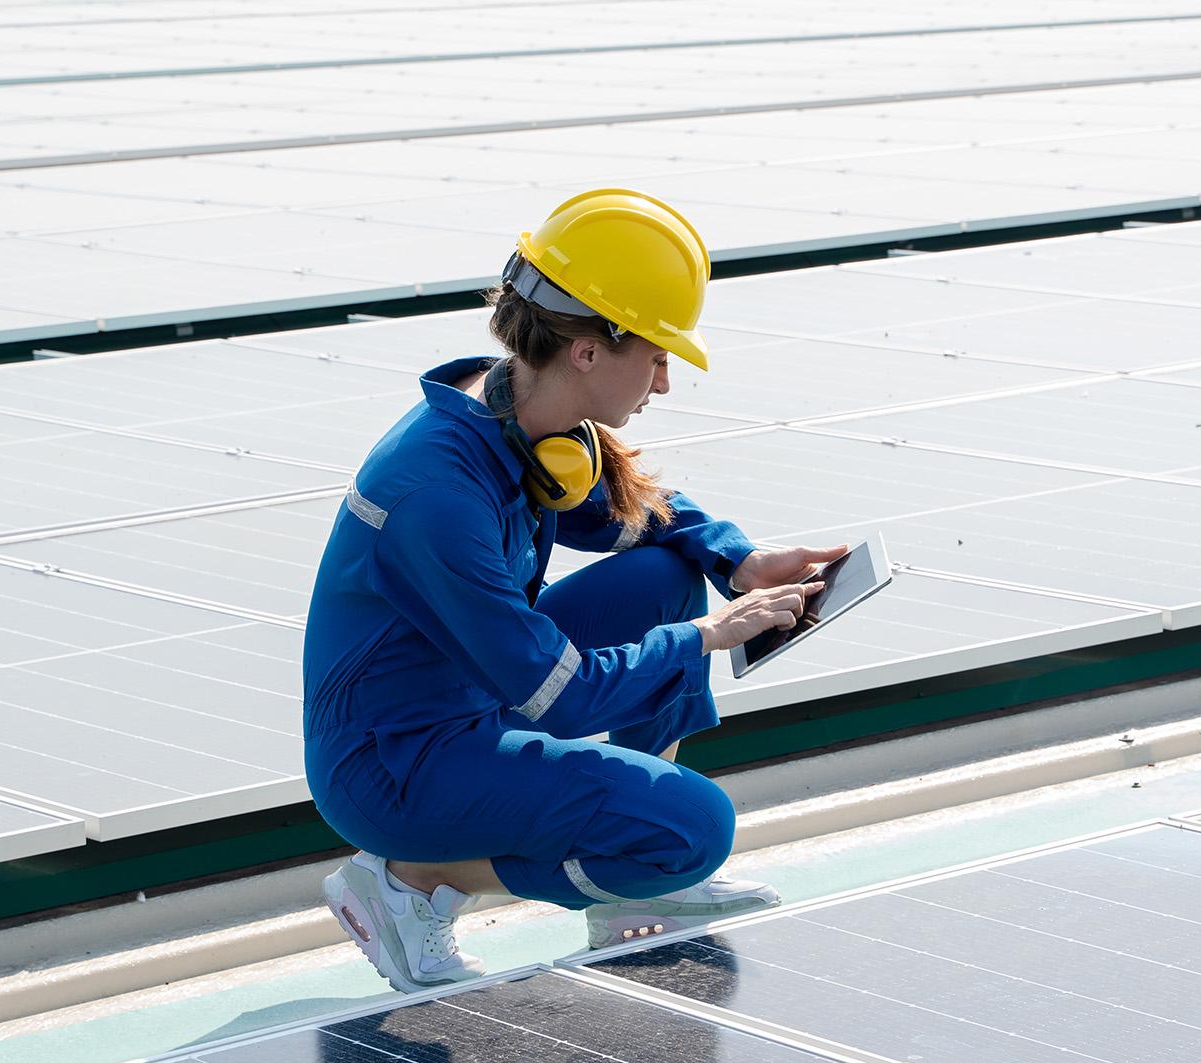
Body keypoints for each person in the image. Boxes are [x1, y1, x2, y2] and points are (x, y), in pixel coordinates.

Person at [302, 188, 849, 994]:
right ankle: (409, 878)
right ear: (589, 349)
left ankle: (638, 879)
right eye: (657, 355)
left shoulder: (522, 420)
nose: (662, 382)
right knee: (694, 826)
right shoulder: (436, 495)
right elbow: (559, 696)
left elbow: (649, 521)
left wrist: (737, 562)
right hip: (394, 762)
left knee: (665, 576)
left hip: (465, 695)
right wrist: (707, 635)